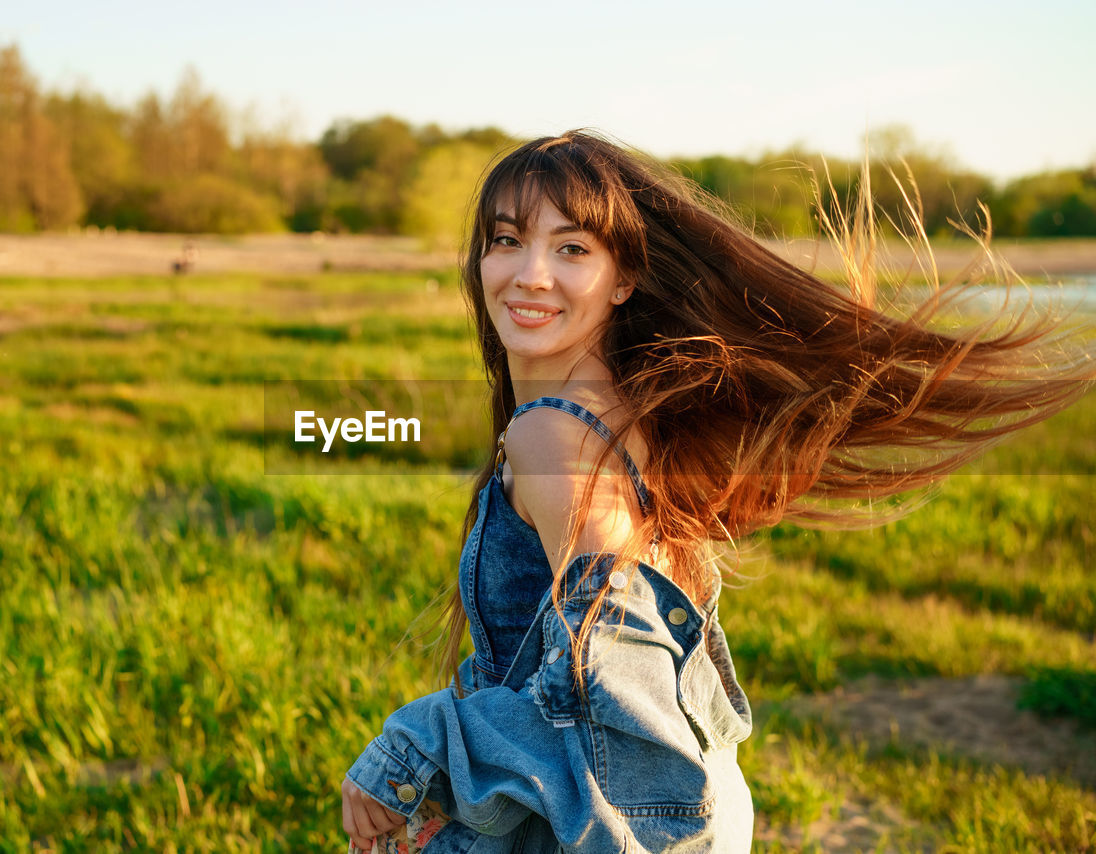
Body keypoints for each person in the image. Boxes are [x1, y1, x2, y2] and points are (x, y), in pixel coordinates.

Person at [340, 131, 1093, 853]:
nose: (529, 273)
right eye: (506, 240)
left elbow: (616, 693)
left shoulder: (553, 435)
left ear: (624, 278)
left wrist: (417, 746)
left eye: (571, 248)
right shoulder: (629, 408)